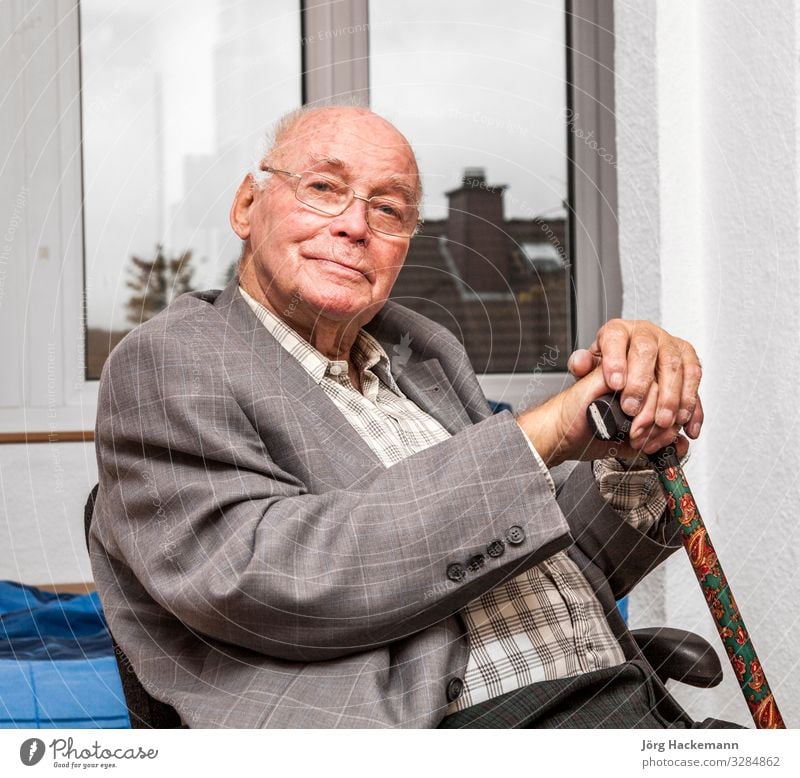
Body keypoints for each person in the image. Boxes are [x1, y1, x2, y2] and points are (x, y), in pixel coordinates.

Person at [90, 105, 724, 729]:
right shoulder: (169, 361)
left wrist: (633, 444)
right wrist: (545, 435)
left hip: (612, 694)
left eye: (389, 209)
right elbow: (264, 578)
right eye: (323, 188)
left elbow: (526, 546)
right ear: (247, 207)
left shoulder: (422, 354)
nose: (355, 225)